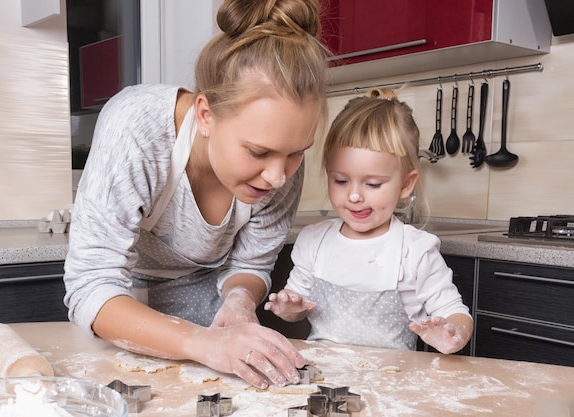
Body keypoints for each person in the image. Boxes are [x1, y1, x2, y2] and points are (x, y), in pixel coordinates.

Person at [63, 0, 328, 389]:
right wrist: (201, 342)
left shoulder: (281, 163)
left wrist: (238, 301)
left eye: (295, 153)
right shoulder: (137, 127)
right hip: (123, 313)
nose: (276, 176)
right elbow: (92, 285)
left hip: (212, 317)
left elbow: (251, 266)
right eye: (258, 152)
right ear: (206, 115)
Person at [264, 89, 473, 354]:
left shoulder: (414, 250)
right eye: (340, 180)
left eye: (373, 184)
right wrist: (288, 308)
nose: (354, 195)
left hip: (392, 380)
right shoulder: (314, 241)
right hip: (323, 376)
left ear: (406, 184)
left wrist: (451, 334)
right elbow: (296, 309)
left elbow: (456, 313)